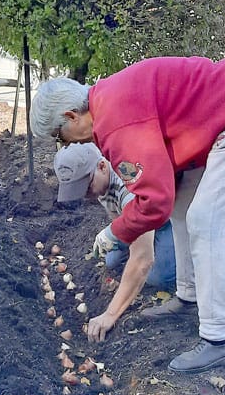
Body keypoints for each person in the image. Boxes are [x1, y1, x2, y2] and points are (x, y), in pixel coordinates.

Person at [30, 56, 225, 373]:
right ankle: (189, 296)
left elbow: (154, 201)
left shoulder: (115, 122)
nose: (64, 144)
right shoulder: (107, 103)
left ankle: (217, 340)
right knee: (183, 208)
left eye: (59, 136)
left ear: (71, 116)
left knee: (206, 222)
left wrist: (115, 233)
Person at [54, 142, 176, 340]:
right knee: (111, 260)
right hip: (139, 219)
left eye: (87, 187)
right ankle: (150, 240)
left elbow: (143, 260)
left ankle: (180, 248)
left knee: (156, 278)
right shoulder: (101, 182)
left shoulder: (128, 187)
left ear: (102, 166)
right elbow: (119, 219)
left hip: (169, 215)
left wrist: (110, 314)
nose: (86, 195)